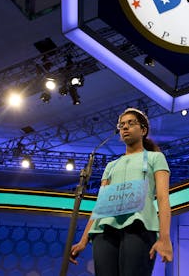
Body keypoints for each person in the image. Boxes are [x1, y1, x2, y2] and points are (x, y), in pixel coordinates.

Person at [69, 107, 173, 275]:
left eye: (131, 123)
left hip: (139, 226)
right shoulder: (111, 166)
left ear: (143, 130)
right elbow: (100, 205)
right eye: (121, 124)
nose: (125, 127)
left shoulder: (155, 158)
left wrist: (165, 237)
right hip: (104, 230)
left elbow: (162, 197)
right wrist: (83, 240)